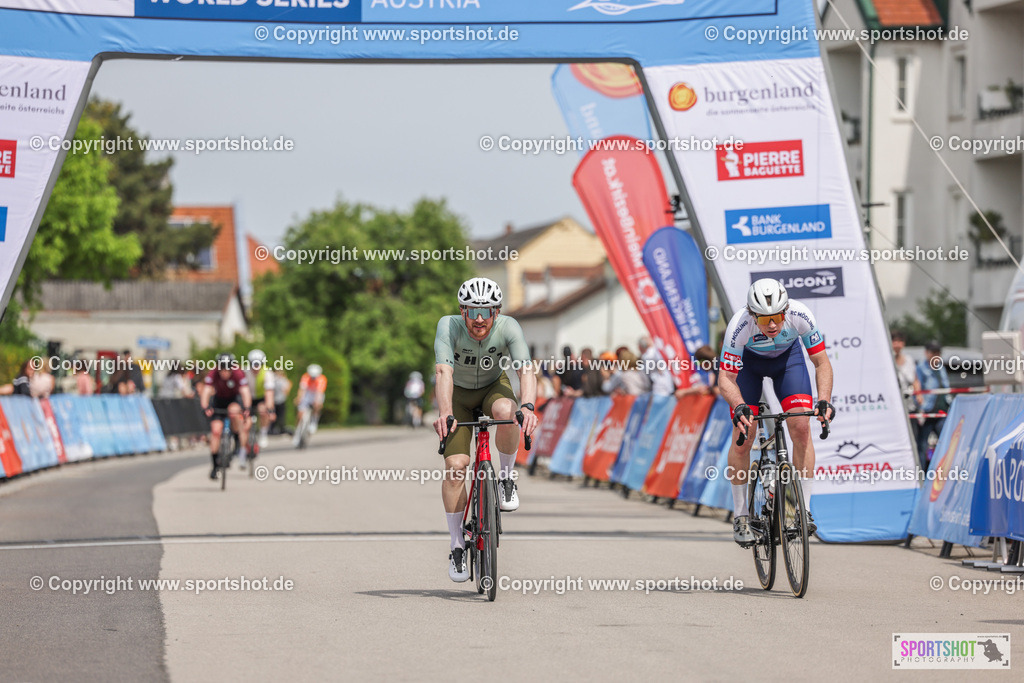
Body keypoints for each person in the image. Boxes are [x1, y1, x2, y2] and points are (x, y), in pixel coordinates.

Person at [433, 277, 538, 583]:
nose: (479, 319)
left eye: (486, 311)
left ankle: (505, 478)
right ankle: (455, 543)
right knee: (456, 467)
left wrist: (528, 406)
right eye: (472, 311)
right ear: (462, 311)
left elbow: (525, 369)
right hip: (459, 396)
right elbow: (443, 371)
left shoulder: (509, 326)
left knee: (508, 412)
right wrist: (446, 413)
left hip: (493, 387)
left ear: (497, 311)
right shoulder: (448, 326)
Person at [719, 279, 834, 545]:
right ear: (752, 315)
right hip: (749, 366)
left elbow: (821, 362)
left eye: (777, 316)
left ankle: (803, 510)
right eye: (764, 319)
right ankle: (741, 515)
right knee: (744, 434)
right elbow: (726, 376)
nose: (772, 324)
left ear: (786, 310)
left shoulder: (800, 314)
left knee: (802, 428)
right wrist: (738, 406)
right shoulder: (739, 326)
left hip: (787, 362)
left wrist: (824, 399)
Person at [198, 352, 253, 478]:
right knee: (216, 431)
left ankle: (237, 438)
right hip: (219, 401)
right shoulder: (213, 372)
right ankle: (214, 466)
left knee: (234, 412)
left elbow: (245, 391)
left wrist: (247, 407)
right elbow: (206, 390)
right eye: (222, 368)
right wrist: (205, 406)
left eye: (227, 368)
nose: (224, 371)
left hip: (233, 399)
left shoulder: (238, 373)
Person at [915, 340, 950, 471]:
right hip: (927, 412)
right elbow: (917, 389)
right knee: (923, 446)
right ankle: (922, 475)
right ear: (926, 353)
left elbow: (945, 388)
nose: (936, 355)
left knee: (946, 443)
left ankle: (945, 471)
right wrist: (921, 406)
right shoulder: (921, 368)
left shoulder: (941, 367)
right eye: (933, 352)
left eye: (938, 352)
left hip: (942, 412)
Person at [891, 330, 921, 445]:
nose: (897, 344)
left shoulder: (909, 360)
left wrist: (919, 394)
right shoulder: (887, 359)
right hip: (894, 407)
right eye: (895, 341)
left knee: (913, 439)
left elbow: (915, 380)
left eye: (900, 341)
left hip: (909, 406)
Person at [246, 349, 277, 448]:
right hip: (248, 397)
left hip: (261, 398)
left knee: (263, 410)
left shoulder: (267, 373)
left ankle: (263, 433)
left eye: (258, 364)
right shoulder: (244, 372)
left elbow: (269, 393)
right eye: (253, 364)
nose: (255, 367)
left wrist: (270, 410)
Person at [294, 364, 327, 444]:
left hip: (316, 393)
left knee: (317, 405)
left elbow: (319, 393)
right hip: (307, 393)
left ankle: (314, 421)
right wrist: (299, 398)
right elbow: (302, 389)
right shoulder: (305, 377)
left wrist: (317, 402)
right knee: (300, 413)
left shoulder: (322, 379)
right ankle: (297, 431)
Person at [272, 369, 292, 435]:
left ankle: (280, 428)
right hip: (274, 401)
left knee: (281, 416)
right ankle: (272, 429)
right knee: (273, 416)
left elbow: (286, 391)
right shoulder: (274, 379)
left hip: (281, 400)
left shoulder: (283, 380)